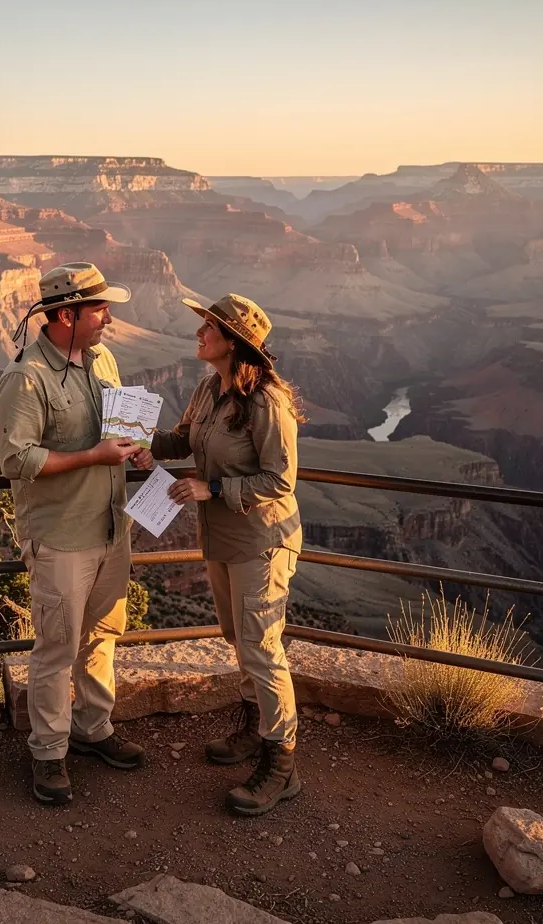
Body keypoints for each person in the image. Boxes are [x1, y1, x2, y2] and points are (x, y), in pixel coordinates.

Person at [0, 262, 148, 805]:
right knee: (56, 648)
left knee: (102, 636)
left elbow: (119, 429)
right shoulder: (25, 377)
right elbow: (17, 458)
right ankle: (49, 752)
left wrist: (135, 448)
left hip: (112, 525)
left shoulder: (103, 357)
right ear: (66, 315)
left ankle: (93, 728)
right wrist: (93, 456)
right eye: (100, 308)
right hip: (60, 535)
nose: (109, 318)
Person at [145, 293, 304, 816]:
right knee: (238, 636)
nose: (198, 334)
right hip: (222, 538)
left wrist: (212, 490)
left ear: (232, 341)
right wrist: (146, 445)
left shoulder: (267, 403)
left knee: (261, 646)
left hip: (261, 540)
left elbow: (280, 479)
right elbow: (185, 439)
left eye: (207, 328)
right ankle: (255, 727)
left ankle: (281, 766)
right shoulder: (211, 387)